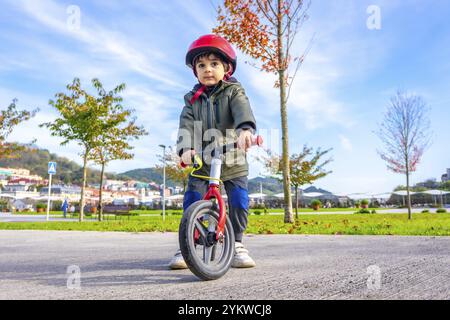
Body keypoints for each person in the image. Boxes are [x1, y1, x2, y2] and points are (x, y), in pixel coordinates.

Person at [169, 34, 257, 270]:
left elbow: (242, 110)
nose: (208, 69)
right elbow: (186, 125)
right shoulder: (191, 100)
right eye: (201, 65)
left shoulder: (233, 91)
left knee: (239, 201)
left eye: (214, 64)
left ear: (226, 67)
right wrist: (185, 148)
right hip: (203, 161)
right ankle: (187, 246)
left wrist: (245, 130)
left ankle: (236, 243)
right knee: (192, 200)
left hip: (233, 158)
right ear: (195, 71)